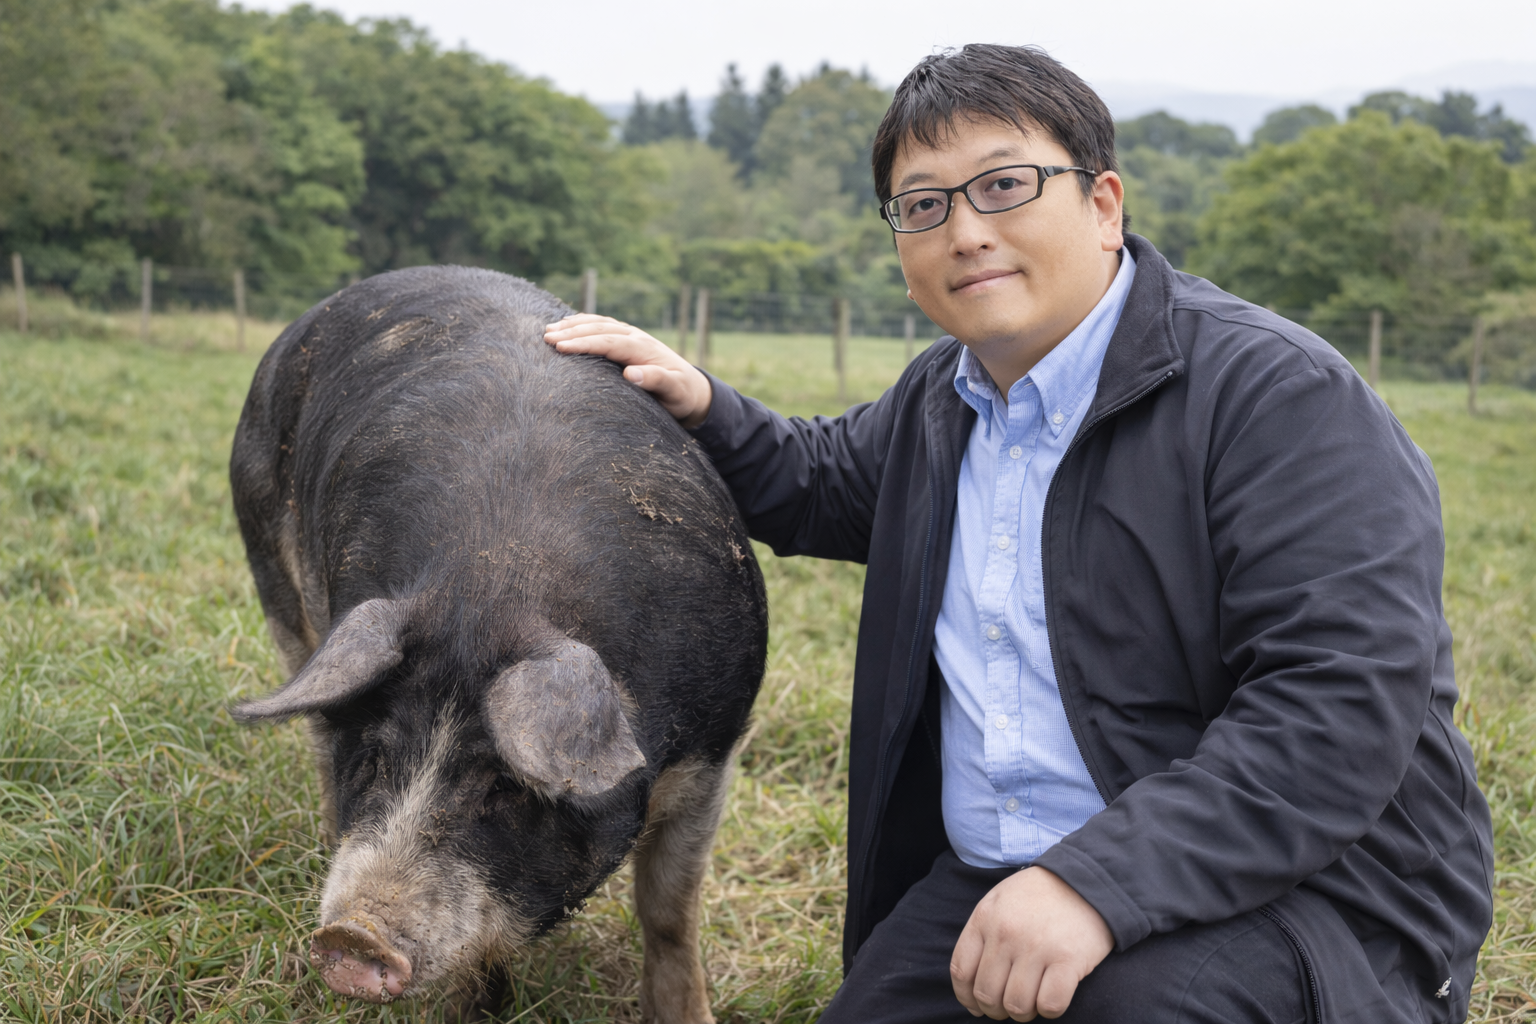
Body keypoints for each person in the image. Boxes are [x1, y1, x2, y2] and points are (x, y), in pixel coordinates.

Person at [544, 44, 1492, 1024]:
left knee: (1132, 1007)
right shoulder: (943, 399)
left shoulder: (1281, 399)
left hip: (1312, 895)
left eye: (1004, 186)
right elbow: (820, 482)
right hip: (1009, 882)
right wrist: (698, 404)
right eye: (924, 205)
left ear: (1103, 204)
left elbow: (1335, 709)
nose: (965, 233)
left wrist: (1095, 883)